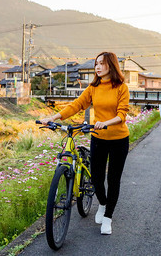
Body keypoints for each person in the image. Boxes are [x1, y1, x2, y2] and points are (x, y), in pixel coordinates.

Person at [40, 51, 130, 235]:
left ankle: (108, 217)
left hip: (119, 139)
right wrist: (53, 117)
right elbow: (77, 104)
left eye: (101, 63)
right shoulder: (93, 87)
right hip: (98, 138)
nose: (97, 67)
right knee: (97, 178)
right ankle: (103, 204)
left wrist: (106, 122)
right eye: (96, 63)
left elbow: (122, 114)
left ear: (111, 65)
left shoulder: (121, 87)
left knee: (113, 180)